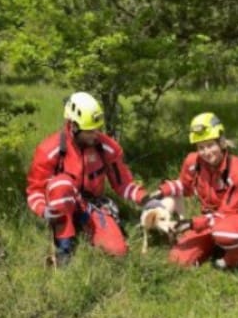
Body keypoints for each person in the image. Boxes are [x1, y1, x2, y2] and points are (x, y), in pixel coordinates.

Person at [26, 92, 149, 266]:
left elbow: (124, 184)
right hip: (61, 206)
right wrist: (42, 209)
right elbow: (35, 190)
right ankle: (64, 248)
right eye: (89, 131)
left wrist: (147, 199)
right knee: (62, 184)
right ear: (74, 126)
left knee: (118, 251)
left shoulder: (107, 147)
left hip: (92, 205)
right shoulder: (49, 150)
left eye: (97, 130)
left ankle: (87, 229)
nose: (95, 135)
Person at [148, 113, 238, 269]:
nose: (206, 152)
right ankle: (213, 245)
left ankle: (236, 254)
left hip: (235, 218)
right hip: (208, 221)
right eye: (201, 147)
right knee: (177, 259)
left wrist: (192, 224)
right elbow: (184, 187)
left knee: (224, 232)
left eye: (211, 145)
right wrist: (161, 192)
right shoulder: (193, 161)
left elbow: (227, 213)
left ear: (222, 142)